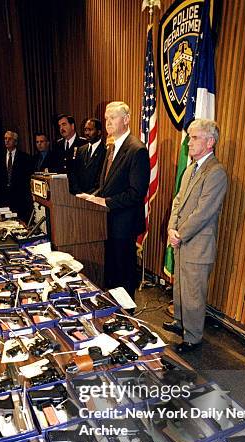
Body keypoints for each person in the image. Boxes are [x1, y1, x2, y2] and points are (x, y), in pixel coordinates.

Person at [163, 119, 228, 352]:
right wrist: (171, 228)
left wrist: (179, 233)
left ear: (210, 142)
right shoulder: (191, 168)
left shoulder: (216, 172)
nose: (188, 142)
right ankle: (180, 323)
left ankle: (192, 337)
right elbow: (178, 201)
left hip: (197, 244)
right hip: (182, 239)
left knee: (193, 293)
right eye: (189, 137)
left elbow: (204, 211)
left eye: (194, 137)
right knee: (181, 287)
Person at [79, 101, 150, 299]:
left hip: (124, 224)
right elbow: (108, 184)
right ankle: (113, 311)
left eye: (113, 117)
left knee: (124, 277)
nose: (107, 122)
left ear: (126, 120)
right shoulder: (111, 148)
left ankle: (127, 320)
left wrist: (106, 202)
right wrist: (93, 197)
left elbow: (136, 193)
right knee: (112, 276)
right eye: (106, 118)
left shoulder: (137, 150)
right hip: (107, 222)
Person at [68, 118, 106, 195]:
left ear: (99, 132)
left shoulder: (105, 151)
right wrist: (78, 192)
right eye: (85, 130)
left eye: (90, 130)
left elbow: (102, 180)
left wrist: (90, 195)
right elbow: (73, 173)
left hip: (94, 197)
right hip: (78, 195)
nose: (87, 133)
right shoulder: (80, 150)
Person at [2, 130, 33, 222]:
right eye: (5, 138)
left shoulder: (25, 158)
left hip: (21, 199)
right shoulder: (0, 157)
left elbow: (27, 179)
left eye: (10, 139)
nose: (6, 141)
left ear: (15, 142)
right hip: (5, 199)